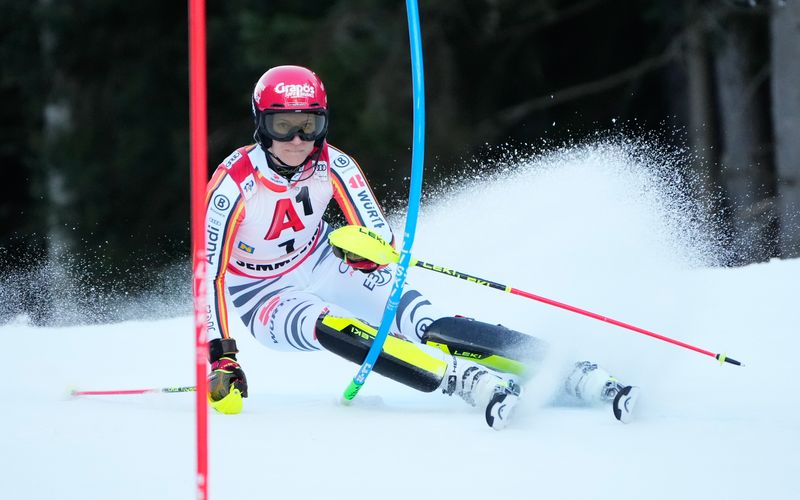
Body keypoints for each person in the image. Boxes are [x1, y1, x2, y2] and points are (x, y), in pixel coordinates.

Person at [203, 65, 637, 429]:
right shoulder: (232, 185)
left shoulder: (334, 165)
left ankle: (563, 367)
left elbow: (379, 236)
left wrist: (367, 253)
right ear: (261, 124)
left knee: (424, 321)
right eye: (284, 125)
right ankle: (460, 380)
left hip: (321, 262)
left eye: (309, 125)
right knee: (331, 325)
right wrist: (222, 356)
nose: (298, 140)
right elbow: (211, 275)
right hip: (261, 293)